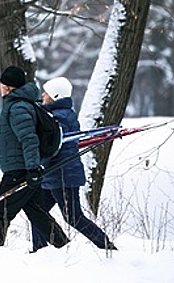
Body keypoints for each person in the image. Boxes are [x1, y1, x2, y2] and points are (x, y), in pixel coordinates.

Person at [0, 66, 69, 251]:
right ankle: (64, 247)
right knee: (37, 212)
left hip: (21, 170)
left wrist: (32, 169)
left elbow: (29, 139)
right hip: (23, 168)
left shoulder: (18, 107)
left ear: (6, 87)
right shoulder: (19, 104)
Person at [31, 77, 117, 252]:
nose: (43, 95)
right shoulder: (58, 114)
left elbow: (50, 146)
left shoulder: (59, 117)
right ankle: (39, 251)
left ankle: (107, 248)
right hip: (53, 174)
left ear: (55, 95)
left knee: (73, 217)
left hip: (63, 174)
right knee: (37, 212)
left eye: (46, 93)